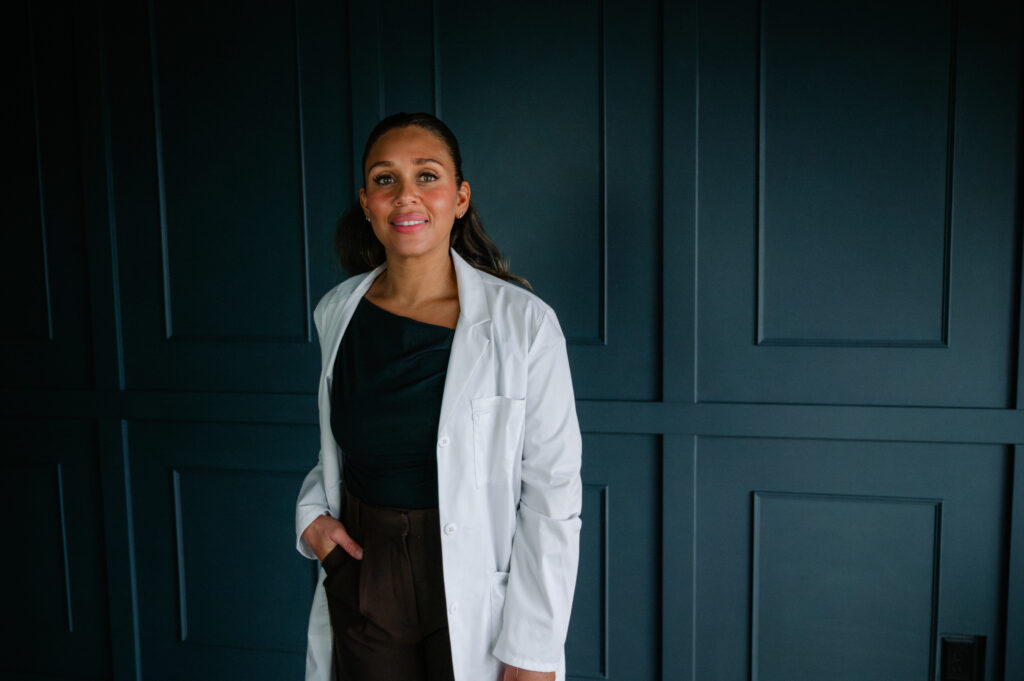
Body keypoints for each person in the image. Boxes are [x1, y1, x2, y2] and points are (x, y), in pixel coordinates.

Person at [294, 112, 583, 681]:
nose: (406, 197)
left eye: (427, 176)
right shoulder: (337, 312)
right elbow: (339, 445)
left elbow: (553, 491)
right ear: (365, 201)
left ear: (460, 197)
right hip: (364, 572)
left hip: (473, 577)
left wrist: (533, 652)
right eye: (385, 180)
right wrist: (312, 521)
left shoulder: (525, 324)